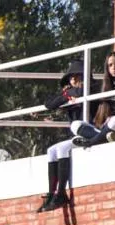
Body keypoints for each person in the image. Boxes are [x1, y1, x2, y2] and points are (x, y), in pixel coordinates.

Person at [37, 60, 86, 212]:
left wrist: (69, 94)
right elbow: (49, 103)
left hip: (89, 132)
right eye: (71, 78)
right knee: (51, 150)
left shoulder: (90, 89)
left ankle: (62, 193)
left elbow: (80, 92)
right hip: (75, 136)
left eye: (78, 76)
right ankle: (52, 194)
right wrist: (65, 95)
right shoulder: (69, 94)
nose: (74, 81)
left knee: (62, 149)